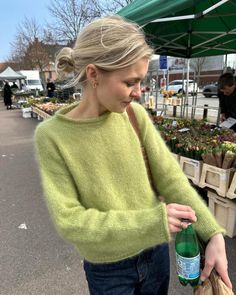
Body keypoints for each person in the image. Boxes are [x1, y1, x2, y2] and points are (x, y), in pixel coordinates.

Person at [35, 16, 232, 294]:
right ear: (93, 75)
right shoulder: (52, 136)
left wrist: (212, 234)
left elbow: (171, 180)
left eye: (140, 81)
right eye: (130, 82)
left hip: (156, 257)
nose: (138, 93)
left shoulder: (134, 116)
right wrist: (152, 222)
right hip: (108, 270)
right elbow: (70, 220)